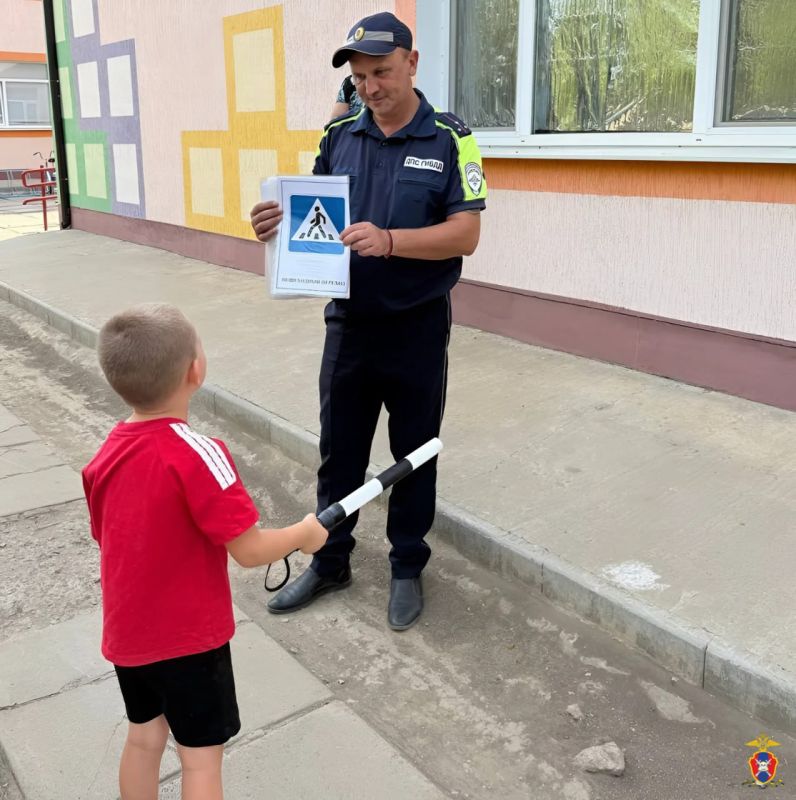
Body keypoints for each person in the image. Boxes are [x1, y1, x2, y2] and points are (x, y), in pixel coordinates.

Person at [249, 11, 487, 631]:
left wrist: (390, 240)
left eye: (380, 71)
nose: (370, 87)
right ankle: (331, 561)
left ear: (412, 62)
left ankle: (408, 567)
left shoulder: (451, 138)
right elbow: (314, 220)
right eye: (358, 77)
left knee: (415, 453)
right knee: (340, 453)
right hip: (349, 326)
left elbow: (466, 234)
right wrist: (275, 230)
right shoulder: (339, 137)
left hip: (416, 326)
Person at [82, 303, 327, 800]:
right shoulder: (199, 452)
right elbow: (250, 550)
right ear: (196, 370)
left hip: (128, 635)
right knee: (199, 762)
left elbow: (112, 537)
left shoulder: (104, 454)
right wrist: (303, 533)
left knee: (145, 738)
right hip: (190, 641)